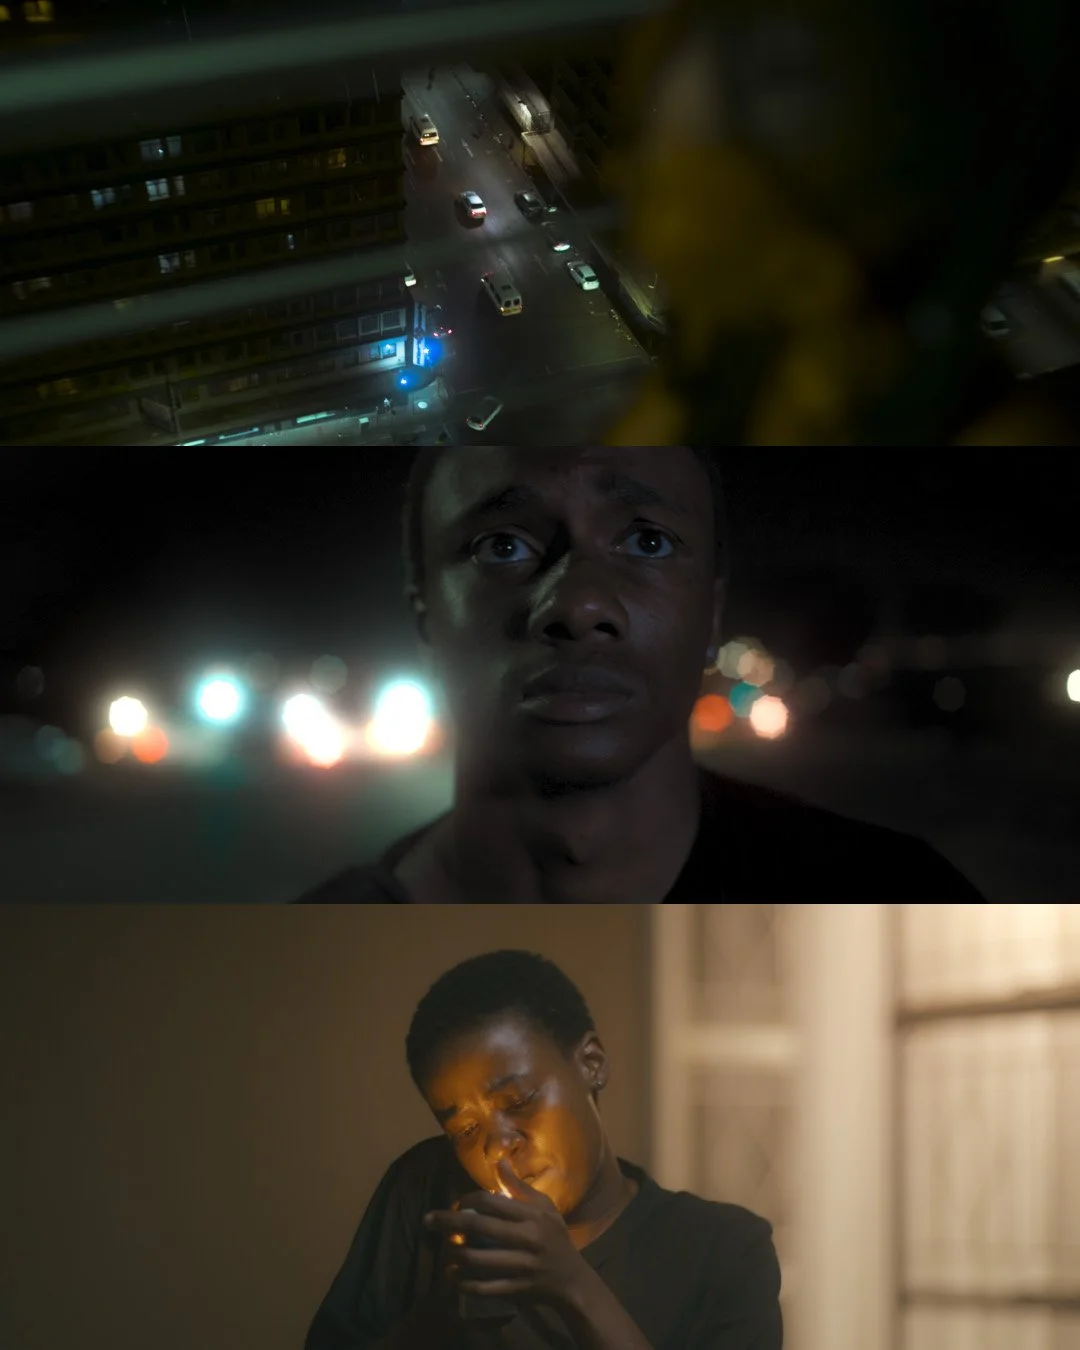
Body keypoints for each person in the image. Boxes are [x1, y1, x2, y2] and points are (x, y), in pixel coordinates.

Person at [295, 447, 983, 902]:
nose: (579, 604)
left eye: (647, 541)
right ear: (426, 622)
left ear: (711, 616)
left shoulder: (899, 891)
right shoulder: (302, 970)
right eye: (502, 546)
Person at [304, 949, 784, 1350]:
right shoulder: (424, 1192)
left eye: (518, 1101)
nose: (496, 1146)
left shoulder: (726, 1250)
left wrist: (570, 1283)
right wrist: (443, 1316)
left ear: (590, 1065)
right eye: (465, 1130)